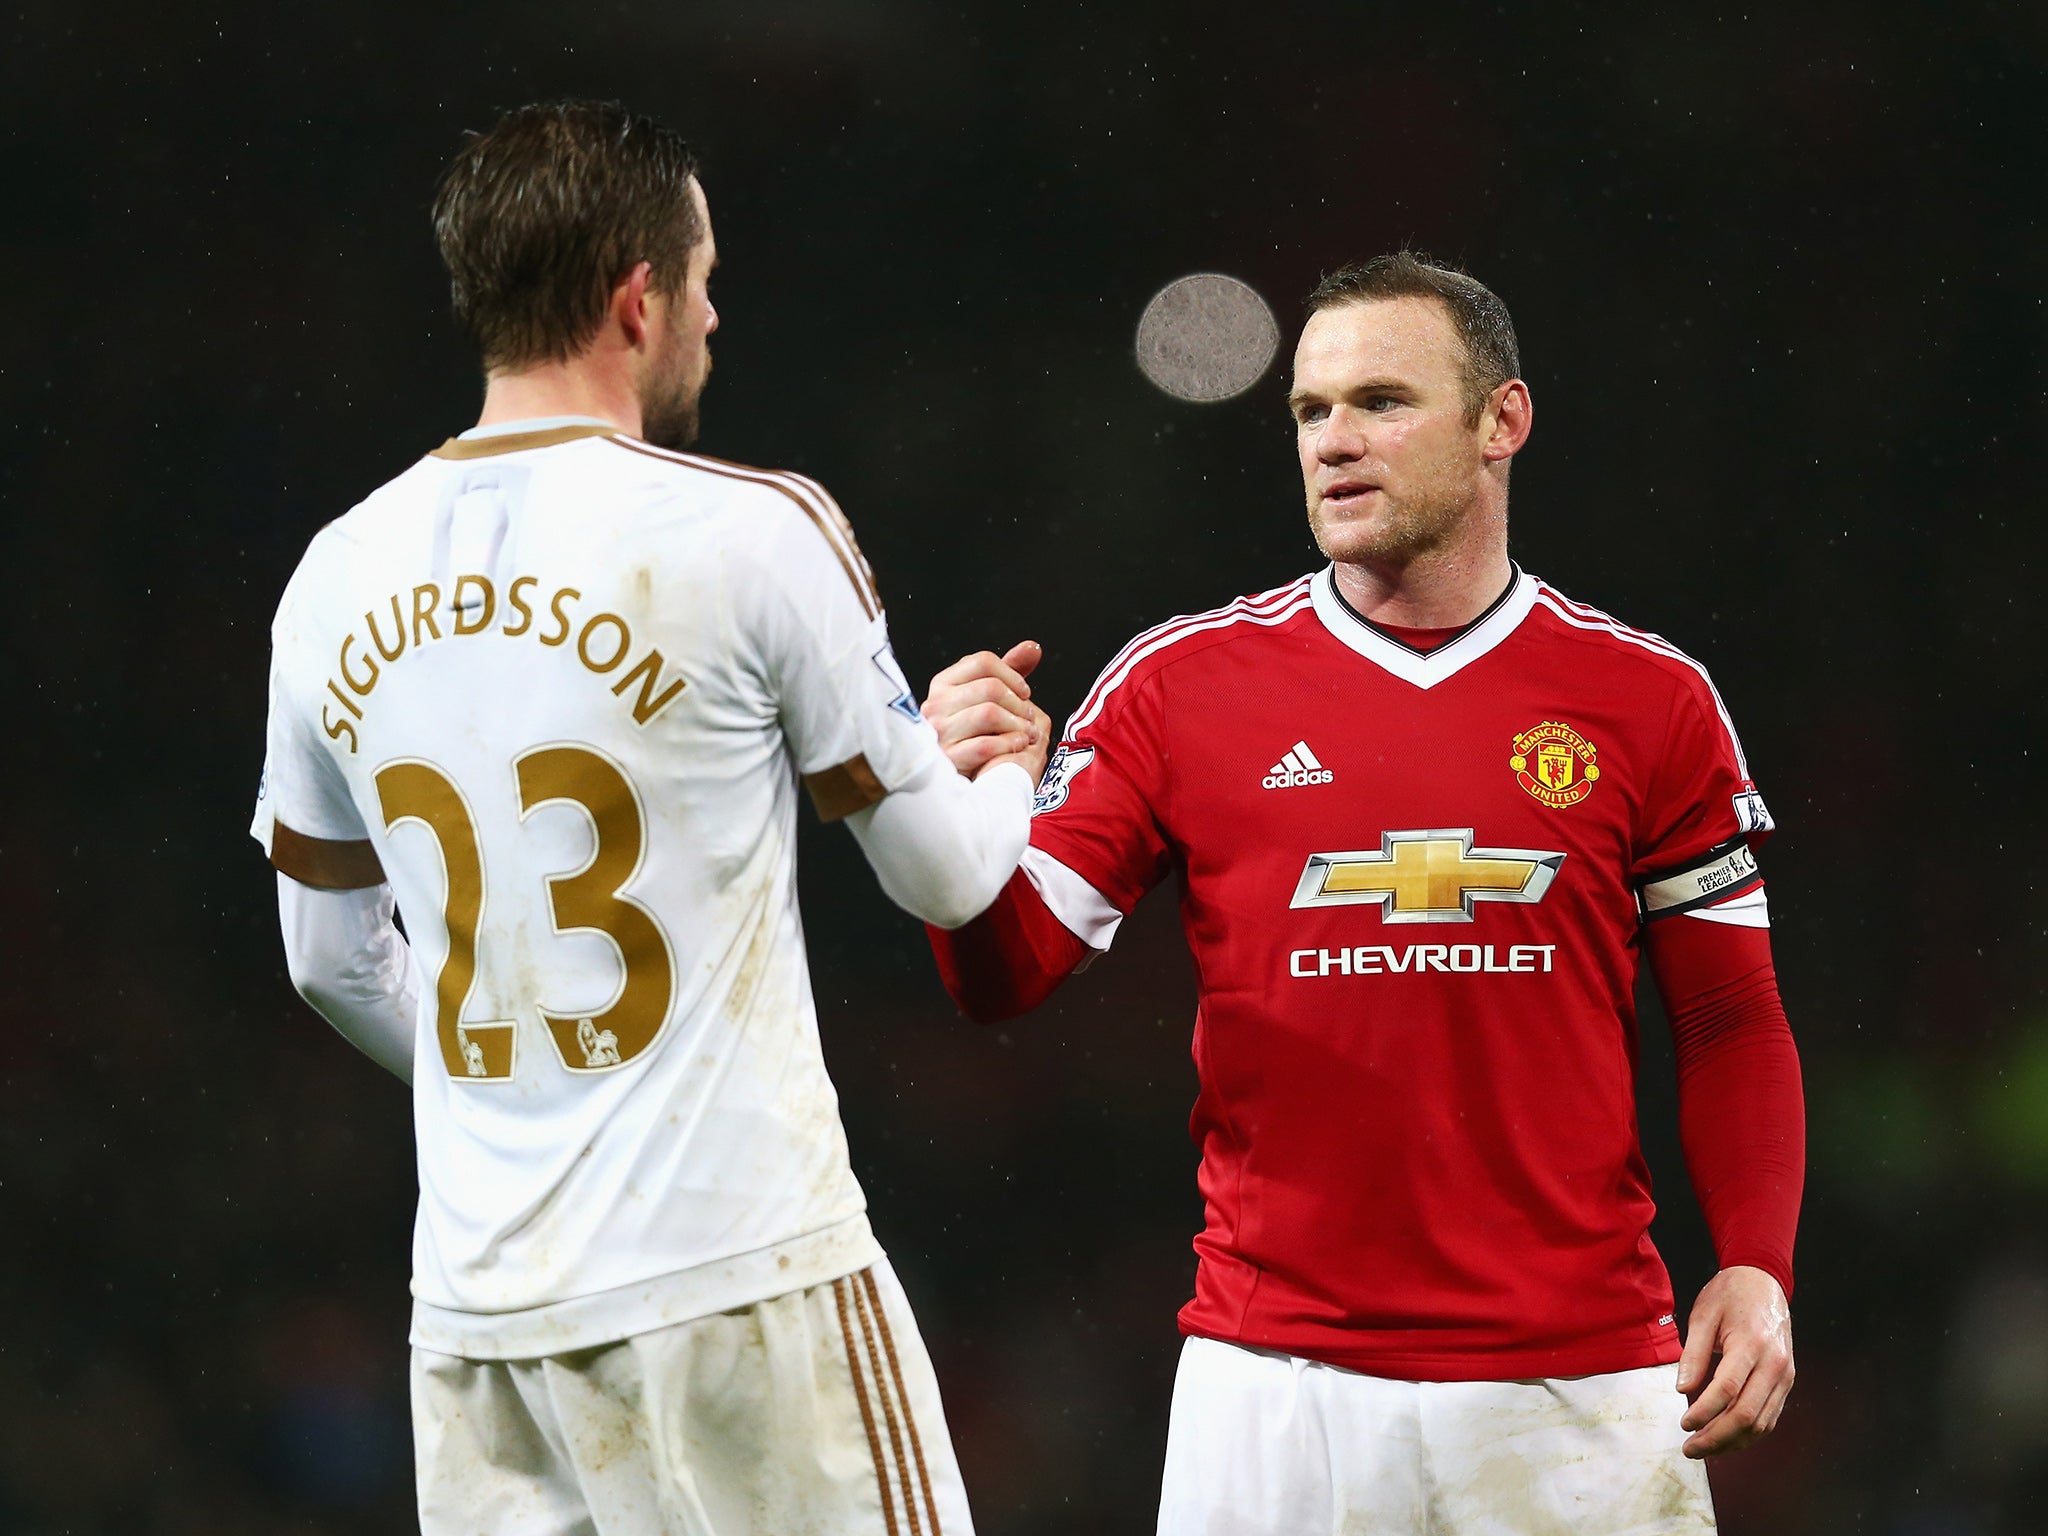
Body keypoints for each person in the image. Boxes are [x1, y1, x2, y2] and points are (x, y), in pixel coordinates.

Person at [251, 99, 1044, 1536]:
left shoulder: (330, 579)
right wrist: (996, 766)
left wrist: (533, 1095)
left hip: (484, 1327)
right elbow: (946, 880)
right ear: (639, 295)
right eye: (707, 281)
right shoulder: (749, 533)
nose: (715, 318)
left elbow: (325, 958)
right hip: (743, 1280)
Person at [922, 252, 1804, 1534]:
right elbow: (1001, 981)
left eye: (1381, 401)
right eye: (1308, 412)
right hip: (1274, 1390)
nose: (1334, 441)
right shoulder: (1178, 686)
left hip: (1583, 1383)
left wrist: (1755, 1266)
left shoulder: (1645, 698)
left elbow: (1729, 1019)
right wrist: (960, 810)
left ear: (1500, 422)